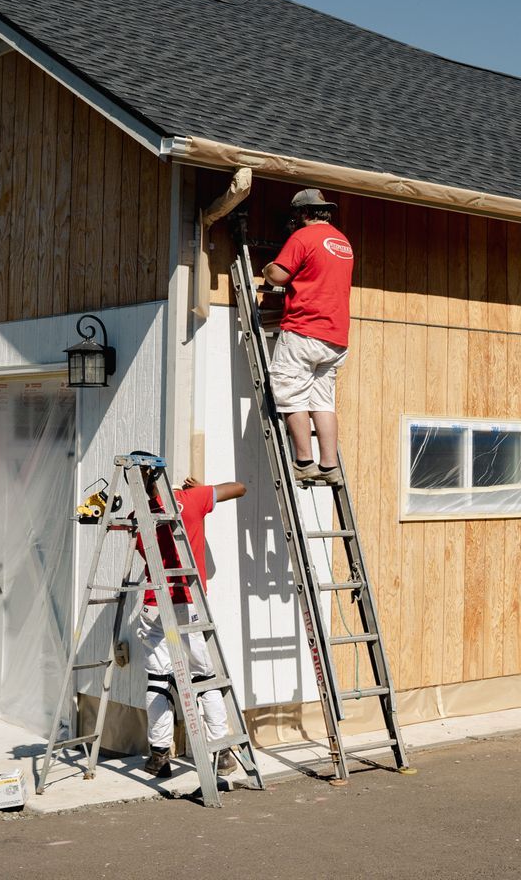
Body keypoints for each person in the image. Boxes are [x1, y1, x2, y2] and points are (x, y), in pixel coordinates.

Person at [138, 475, 248, 778]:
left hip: (155, 604)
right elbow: (240, 488)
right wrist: (198, 490)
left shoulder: (142, 514)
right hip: (190, 603)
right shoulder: (192, 499)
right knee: (204, 676)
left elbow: (144, 551)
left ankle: (159, 755)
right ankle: (222, 752)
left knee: (158, 679)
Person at [263, 188, 354, 487]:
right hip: (335, 336)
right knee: (323, 402)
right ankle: (330, 465)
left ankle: (303, 462)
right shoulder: (342, 242)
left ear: (303, 213)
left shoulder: (303, 237)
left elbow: (279, 275)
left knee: (291, 396)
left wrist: (267, 268)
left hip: (304, 330)